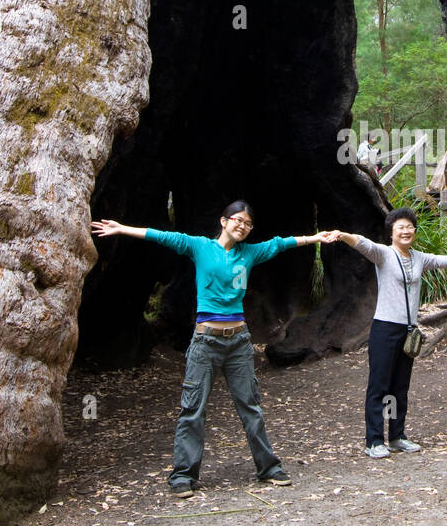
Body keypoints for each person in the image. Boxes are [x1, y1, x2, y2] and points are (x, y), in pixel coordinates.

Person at [92, 203, 331, 498]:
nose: (242, 226)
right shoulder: (200, 247)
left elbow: (281, 244)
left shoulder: (250, 253)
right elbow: (162, 236)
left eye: (248, 223)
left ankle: (268, 468)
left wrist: (315, 238)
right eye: (238, 220)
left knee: (250, 405)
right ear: (224, 221)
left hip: (239, 342)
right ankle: (183, 475)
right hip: (206, 341)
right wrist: (122, 228)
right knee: (193, 408)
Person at [327, 209, 447, 458]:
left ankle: (396, 436)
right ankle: (374, 440)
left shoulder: (418, 257)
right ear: (392, 232)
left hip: (408, 330)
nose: (405, 231)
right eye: (400, 227)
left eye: (409, 227)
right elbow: (363, 244)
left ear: (414, 230)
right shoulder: (384, 254)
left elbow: (437, 260)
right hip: (384, 329)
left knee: (399, 387)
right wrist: (343, 235)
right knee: (379, 386)